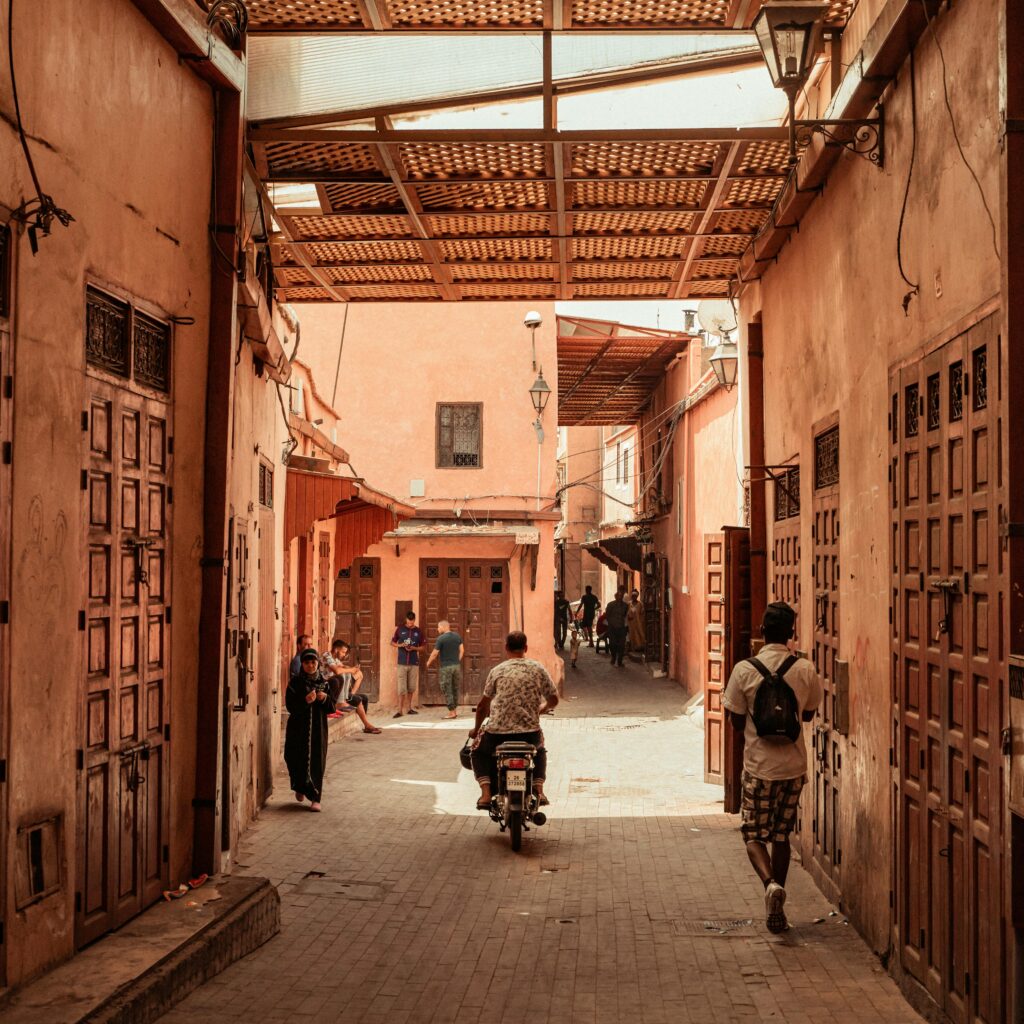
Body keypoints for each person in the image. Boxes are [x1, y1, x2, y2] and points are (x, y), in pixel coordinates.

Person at [723, 602, 823, 934]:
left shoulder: (744, 669)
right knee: (782, 836)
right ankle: (777, 904)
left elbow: (736, 719)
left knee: (753, 834)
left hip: (759, 767)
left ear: (762, 631)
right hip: (793, 767)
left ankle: (769, 885)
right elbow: (807, 715)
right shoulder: (805, 668)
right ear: (791, 633)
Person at [469, 631, 559, 810]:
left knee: (477, 751)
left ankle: (486, 794)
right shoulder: (538, 668)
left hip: (497, 735)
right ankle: (539, 790)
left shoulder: (497, 670)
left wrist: (475, 729)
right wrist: (543, 709)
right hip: (529, 734)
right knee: (540, 751)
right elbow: (554, 699)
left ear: (506, 648)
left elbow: (482, 706)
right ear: (525, 648)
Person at [284, 648, 336, 811]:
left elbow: (332, 708)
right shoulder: (295, 683)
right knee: (294, 758)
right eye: (306, 662)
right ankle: (300, 786)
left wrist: (325, 698)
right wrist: (305, 700)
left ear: (318, 664)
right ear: (303, 664)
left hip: (317, 730)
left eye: (313, 662)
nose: (310, 665)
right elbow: (290, 706)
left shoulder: (325, 683)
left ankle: (315, 798)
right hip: (298, 729)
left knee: (317, 761)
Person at [321, 638, 382, 734]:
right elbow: (337, 671)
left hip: (337, 690)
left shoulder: (335, 659)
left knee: (363, 698)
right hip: (327, 689)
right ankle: (342, 703)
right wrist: (350, 670)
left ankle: (365, 724)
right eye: (343, 652)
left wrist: (353, 669)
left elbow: (343, 667)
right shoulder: (327, 655)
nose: (344, 655)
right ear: (336, 649)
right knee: (356, 696)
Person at [426, 619, 464, 719]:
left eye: (438, 627)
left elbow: (434, 654)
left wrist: (428, 663)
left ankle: (451, 712)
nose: (437, 629)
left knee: (447, 688)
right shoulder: (457, 636)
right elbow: (462, 651)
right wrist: (457, 661)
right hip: (456, 666)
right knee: (455, 688)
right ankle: (454, 710)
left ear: (443, 627)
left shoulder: (441, 638)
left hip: (446, 667)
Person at [391, 610, 425, 718]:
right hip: (402, 663)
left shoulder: (418, 631)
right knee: (402, 688)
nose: (410, 624)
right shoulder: (400, 629)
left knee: (411, 687)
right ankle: (400, 710)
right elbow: (392, 642)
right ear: (406, 620)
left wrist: (414, 648)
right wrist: (401, 645)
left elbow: (423, 647)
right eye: (409, 622)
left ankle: (409, 708)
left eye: (412, 622)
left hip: (414, 663)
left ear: (414, 620)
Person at [604, 588, 629, 667]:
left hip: (621, 628)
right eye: (618, 596)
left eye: (621, 596)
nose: (620, 597)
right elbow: (607, 616)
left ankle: (620, 661)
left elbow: (625, 616)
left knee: (622, 645)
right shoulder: (610, 605)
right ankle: (613, 657)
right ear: (615, 597)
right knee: (612, 644)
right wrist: (611, 624)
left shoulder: (625, 606)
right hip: (612, 628)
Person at [627, 589, 646, 657]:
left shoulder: (640, 604)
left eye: (635, 596)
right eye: (632, 596)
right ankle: (633, 647)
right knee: (632, 634)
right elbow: (626, 613)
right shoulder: (629, 604)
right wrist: (628, 617)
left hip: (639, 622)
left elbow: (642, 613)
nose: (634, 597)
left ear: (637, 596)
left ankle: (640, 647)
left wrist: (641, 620)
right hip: (631, 622)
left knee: (639, 634)